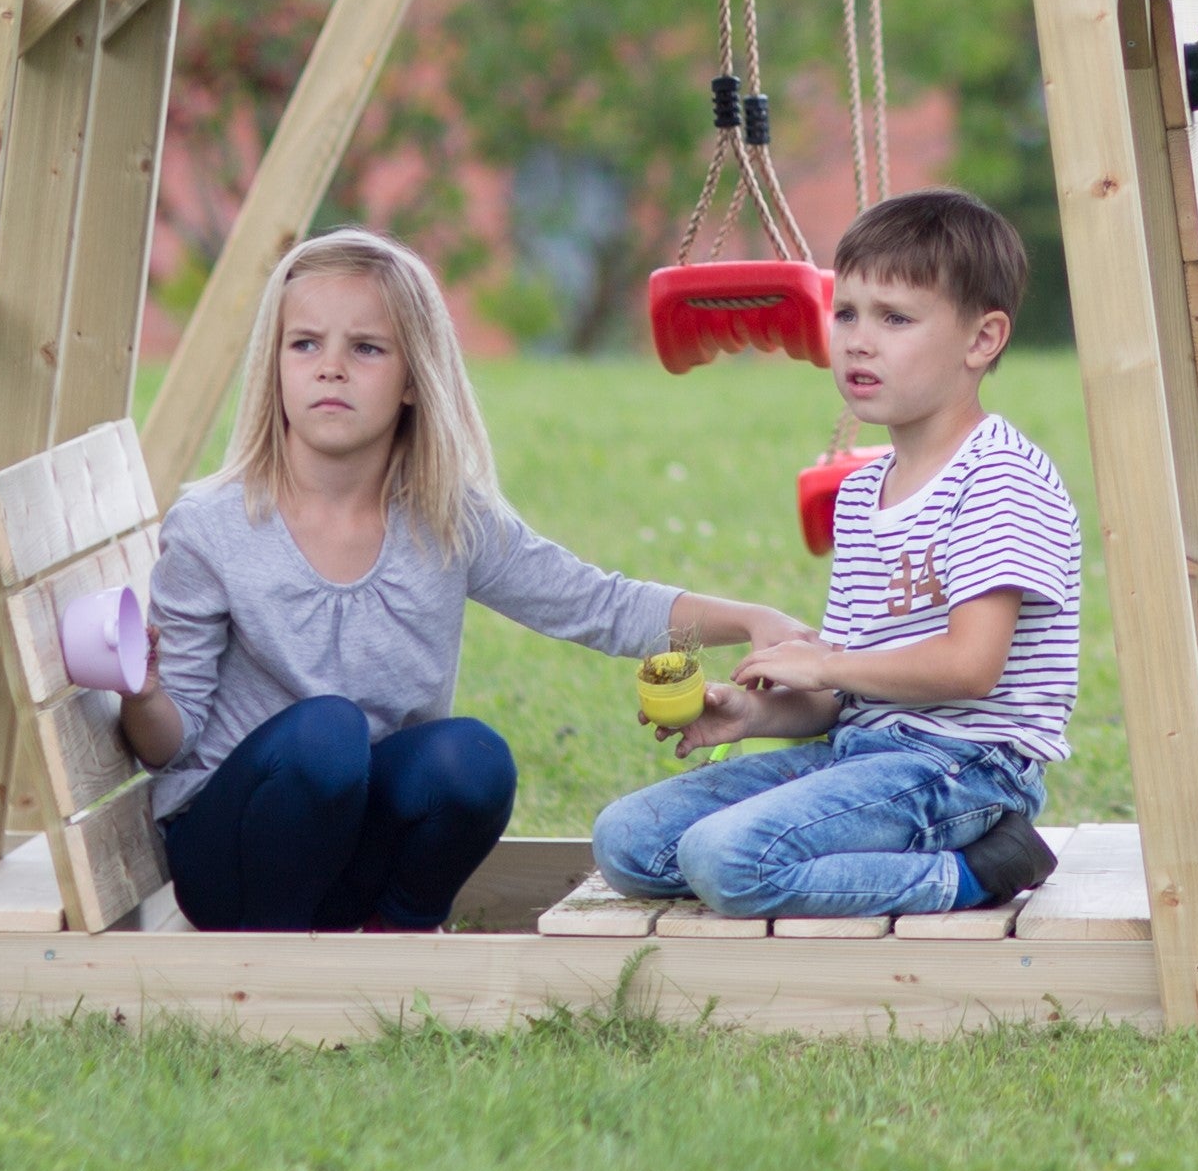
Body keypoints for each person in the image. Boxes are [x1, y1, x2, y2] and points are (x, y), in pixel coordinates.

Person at [119, 229, 801, 933]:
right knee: (327, 734)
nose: (330, 368)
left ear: (413, 380)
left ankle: (399, 935)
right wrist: (143, 695)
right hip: (233, 862)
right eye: (305, 344)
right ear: (274, 367)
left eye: (366, 348)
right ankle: (276, 962)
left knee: (471, 758)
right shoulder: (212, 525)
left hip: (355, 852)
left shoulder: (445, 518)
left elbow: (597, 605)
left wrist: (750, 621)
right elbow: (171, 745)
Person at [588, 188, 1078, 920]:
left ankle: (978, 871)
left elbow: (970, 667)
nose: (857, 340)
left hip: (967, 769)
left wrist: (821, 664)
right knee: (626, 841)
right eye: (845, 312)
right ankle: (862, 857)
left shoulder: (998, 476)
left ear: (982, 340)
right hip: (863, 755)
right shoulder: (861, 492)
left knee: (727, 860)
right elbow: (846, 692)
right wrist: (754, 716)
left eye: (895, 319)